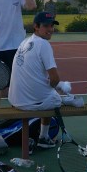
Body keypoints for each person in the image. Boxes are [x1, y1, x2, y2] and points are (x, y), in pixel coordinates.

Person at [8, 11, 75, 148]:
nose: (50, 29)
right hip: (30, 103)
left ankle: (40, 136)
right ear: (36, 26)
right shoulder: (44, 45)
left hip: (15, 100)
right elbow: (55, 79)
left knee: (50, 92)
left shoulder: (25, 42)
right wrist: (59, 86)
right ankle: (43, 137)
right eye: (46, 26)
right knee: (56, 98)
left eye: (52, 26)